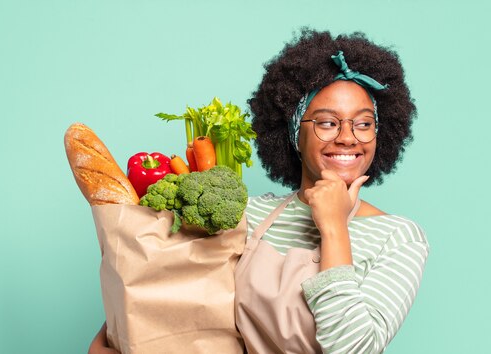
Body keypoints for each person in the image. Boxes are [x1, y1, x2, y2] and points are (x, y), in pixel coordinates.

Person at [89, 28, 428, 354]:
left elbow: (352, 348)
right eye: (327, 122)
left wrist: (334, 227)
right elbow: (172, 291)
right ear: (295, 131)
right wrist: (115, 339)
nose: (347, 137)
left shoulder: (398, 238)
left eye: (364, 123)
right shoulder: (249, 214)